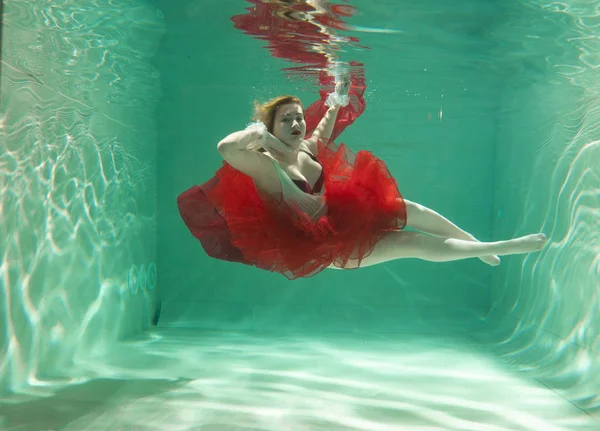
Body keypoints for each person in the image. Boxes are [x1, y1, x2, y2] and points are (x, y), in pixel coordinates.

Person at [177, 81, 547, 279]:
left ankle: (477, 243)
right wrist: (262, 134)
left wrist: (335, 102)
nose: (295, 123)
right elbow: (226, 147)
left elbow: (322, 127)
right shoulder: (264, 166)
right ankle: (499, 247)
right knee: (412, 242)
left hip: (344, 215)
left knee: (410, 209)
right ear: (271, 126)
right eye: (285, 119)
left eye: (296, 117)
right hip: (326, 250)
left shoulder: (306, 146)